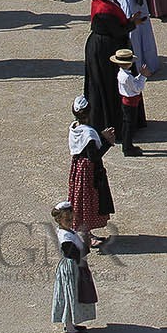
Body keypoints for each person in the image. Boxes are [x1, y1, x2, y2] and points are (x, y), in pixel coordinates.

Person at [83, 0, 133, 142]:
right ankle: (110, 123)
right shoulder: (103, 8)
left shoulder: (102, 1)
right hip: (104, 49)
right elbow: (117, 30)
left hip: (105, 44)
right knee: (107, 84)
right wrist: (133, 24)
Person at [67, 95, 116, 250]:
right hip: (88, 172)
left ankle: (83, 232)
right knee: (87, 201)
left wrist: (100, 136)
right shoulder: (88, 133)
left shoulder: (74, 127)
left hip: (77, 168)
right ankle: (85, 235)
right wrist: (107, 142)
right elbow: (93, 156)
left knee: (78, 198)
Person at [50, 201, 96, 333]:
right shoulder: (65, 237)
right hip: (72, 268)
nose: (70, 221)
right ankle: (70, 328)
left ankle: (70, 325)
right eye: (67, 219)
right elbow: (72, 253)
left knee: (71, 296)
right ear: (59, 220)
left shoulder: (67, 231)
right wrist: (86, 247)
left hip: (74, 267)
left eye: (71, 218)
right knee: (71, 296)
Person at [113, 47, 145, 156]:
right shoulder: (127, 77)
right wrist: (143, 76)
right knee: (129, 126)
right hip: (130, 103)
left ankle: (127, 145)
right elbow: (137, 88)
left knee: (127, 125)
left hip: (127, 101)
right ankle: (127, 148)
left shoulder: (122, 74)